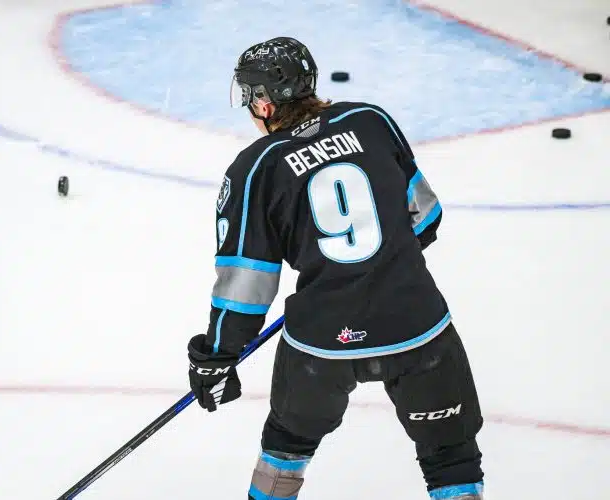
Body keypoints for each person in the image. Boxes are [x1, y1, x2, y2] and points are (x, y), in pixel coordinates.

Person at [186, 37, 484, 500]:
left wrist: (218, 355)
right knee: (451, 455)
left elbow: (246, 284)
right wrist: (383, 259)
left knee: (286, 445)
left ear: (264, 102)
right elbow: (425, 218)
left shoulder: (255, 168)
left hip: (323, 340)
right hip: (417, 325)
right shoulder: (369, 120)